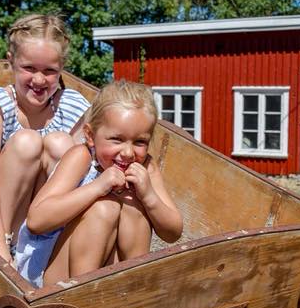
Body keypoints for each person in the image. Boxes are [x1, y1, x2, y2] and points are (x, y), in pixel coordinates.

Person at [0, 14, 90, 263]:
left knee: (63, 145)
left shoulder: (72, 106)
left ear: (61, 68)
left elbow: (84, 172)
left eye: (50, 71)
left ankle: (39, 250)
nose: (39, 80)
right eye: (29, 68)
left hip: (43, 222)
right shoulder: (0, 103)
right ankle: (5, 247)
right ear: (11, 62)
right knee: (26, 142)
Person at [22, 80, 183, 287]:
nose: (127, 152)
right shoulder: (81, 158)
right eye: (116, 139)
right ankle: (84, 300)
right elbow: (36, 221)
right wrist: (97, 187)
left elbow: (173, 233)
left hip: (111, 276)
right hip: (55, 278)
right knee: (104, 209)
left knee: (135, 208)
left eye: (140, 142)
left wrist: (149, 196)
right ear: (90, 136)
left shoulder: (146, 168)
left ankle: (132, 293)